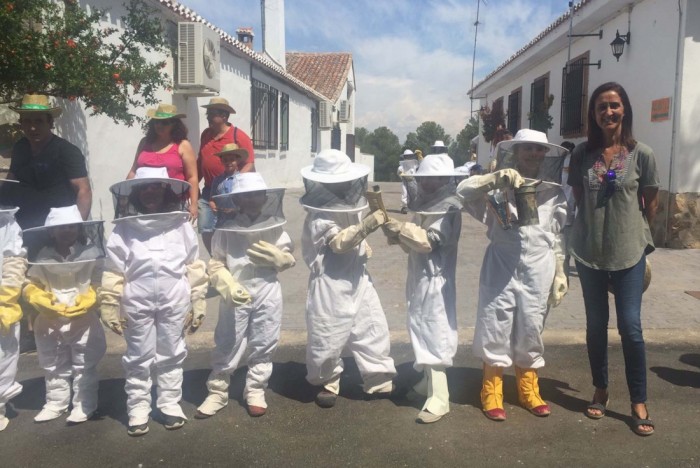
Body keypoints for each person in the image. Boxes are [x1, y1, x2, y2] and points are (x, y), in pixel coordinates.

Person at [567, 82, 659, 436]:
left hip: (629, 252)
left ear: (625, 110)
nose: (608, 112)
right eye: (601, 107)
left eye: (615, 106)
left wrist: (641, 239)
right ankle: (601, 388)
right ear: (593, 114)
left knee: (631, 328)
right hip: (589, 253)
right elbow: (579, 200)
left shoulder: (642, 155)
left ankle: (638, 400)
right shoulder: (581, 155)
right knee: (595, 327)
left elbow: (651, 202)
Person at [458, 129, 568, 421]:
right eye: (527, 149)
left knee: (532, 325)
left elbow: (556, 235)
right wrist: (495, 179)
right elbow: (462, 192)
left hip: (539, 265)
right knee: (495, 323)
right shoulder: (498, 186)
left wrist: (560, 270)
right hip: (502, 262)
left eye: (538, 149)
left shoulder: (556, 191)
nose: (533, 154)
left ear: (546, 154)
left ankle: (528, 388)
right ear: (516, 152)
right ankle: (491, 388)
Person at [100, 167, 208, 436]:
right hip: (137, 301)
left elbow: (193, 263)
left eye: (155, 187)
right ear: (136, 193)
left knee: (172, 352)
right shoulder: (124, 228)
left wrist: (199, 299)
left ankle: (170, 404)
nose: (149, 192)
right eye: (144, 188)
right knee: (138, 356)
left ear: (165, 191)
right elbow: (114, 269)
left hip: (174, 298)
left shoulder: (181, 224)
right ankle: (138, 409)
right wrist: (109, 303)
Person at [300, 149, 396, 408]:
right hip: (330, 281)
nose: (342, 186)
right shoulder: (318, 215)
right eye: (336, 182)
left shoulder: (351, 205)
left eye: (344, 181)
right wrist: (366, 226)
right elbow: (338, 243)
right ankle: (328, 381)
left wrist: (363, 246)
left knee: (371, 324)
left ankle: (377, 376)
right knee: (328, 334)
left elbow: (353, 239)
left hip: (358, 274)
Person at [196, 172, 294, 419]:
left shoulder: (275, 225)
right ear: (237, 200)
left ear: (264, 197)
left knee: (265, 340)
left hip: (267, 288)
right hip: (236, 289)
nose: (251, 200)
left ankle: (256, 389)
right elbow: (216, 262)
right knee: (228, 341)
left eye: (256, 195)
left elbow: (287, 256)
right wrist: (227, 284)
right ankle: (217, 391)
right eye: (246, 196)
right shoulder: (226, 228)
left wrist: (283, 259)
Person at [382, 153, 463, 424]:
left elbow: (429, 242)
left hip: (436, 280)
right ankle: (426, 384)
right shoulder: (426, 204)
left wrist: (401, 229)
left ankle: (440, 396)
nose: (430, 182)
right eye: (426, 177)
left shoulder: (449, 207)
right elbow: (414, 243)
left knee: (435, 332)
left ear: (446, 179)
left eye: (436, 178)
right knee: (420, 327)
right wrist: (397, 234)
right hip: (419, 276)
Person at [22, 205, 106, 424]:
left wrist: (91, 297)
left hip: (83, 317)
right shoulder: (42, 256)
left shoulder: (91, 254)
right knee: (52, 362)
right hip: (50, 318)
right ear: (51, 232)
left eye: (71, 227)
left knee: (84, 363)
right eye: (61, 228)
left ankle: (84, 404)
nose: (66, 231)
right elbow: (32, 283)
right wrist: (36, 296)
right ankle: (55, 403)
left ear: (78, 229)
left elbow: (100, 281)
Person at [6, 94, 92, 230]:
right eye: (27, 121)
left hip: (57, 230)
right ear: (21, 123)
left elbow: (83, 190)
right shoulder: (20, 147)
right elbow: (9, 183)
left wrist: (77, 229)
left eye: (39, 121)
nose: (32, 127)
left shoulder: (67, 151)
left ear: (50, 123)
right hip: (22, 227)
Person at [197, 97, 255, 254]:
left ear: (224, 116)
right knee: (205, 226)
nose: (208, 116)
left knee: (230, 227)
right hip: (209, 189)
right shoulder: (206, 135)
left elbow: (249, 163)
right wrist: (193, 183)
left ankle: (233, 257)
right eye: (207, 113)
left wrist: (235, 183)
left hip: (231, 191)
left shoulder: (239, 136)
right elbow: (201, 161)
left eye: (211, 113)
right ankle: (215, 258)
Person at [126, 103, 199, 221]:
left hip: (173, 203)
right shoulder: (144, 143)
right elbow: (134, 170)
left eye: (164, 122)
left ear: (174, 124)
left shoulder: (183, 145)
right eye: (156, 121)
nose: (159, 125)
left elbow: (192, 177)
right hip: (143, 202)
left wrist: (194, 204)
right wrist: (125, 196)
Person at [0, 181, 27, 432]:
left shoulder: (7, 223)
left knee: (3, 354)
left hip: (1, 301)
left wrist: (6, 297)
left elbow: (14, 259)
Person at [559, 141, 577, 280]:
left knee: (567, 240)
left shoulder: (571, 161)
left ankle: (565, 264)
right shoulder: (560, 163)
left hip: (570, 207)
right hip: (563, 206)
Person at [397, 149, 419, 214]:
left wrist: (420, 157)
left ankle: (414, 206)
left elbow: (421, 165)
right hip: (405, 181)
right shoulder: (401, 166)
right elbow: (399, 173)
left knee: (415, 194)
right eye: (407, 156)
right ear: (404, 157)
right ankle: (404, 207)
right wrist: (401, 173)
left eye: (410, 156)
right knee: (405, 193)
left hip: (413, 181)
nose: (408, 157)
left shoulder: (415, 164)